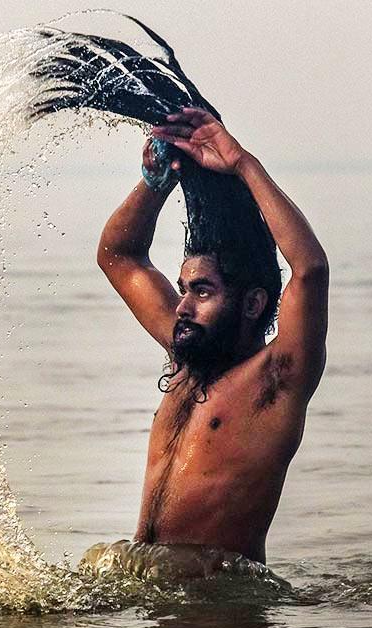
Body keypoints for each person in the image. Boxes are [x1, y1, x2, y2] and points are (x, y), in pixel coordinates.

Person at [82, 108, 328, 579]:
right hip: (150, 592)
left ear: (253, 303)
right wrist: (155, 184)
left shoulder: (275, 381)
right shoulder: (185, 357)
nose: (182, 306)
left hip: (222, 614)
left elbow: (310, 271)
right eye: (183, 288)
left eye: (202, 291)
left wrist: (242, 164)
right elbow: (119, 256)